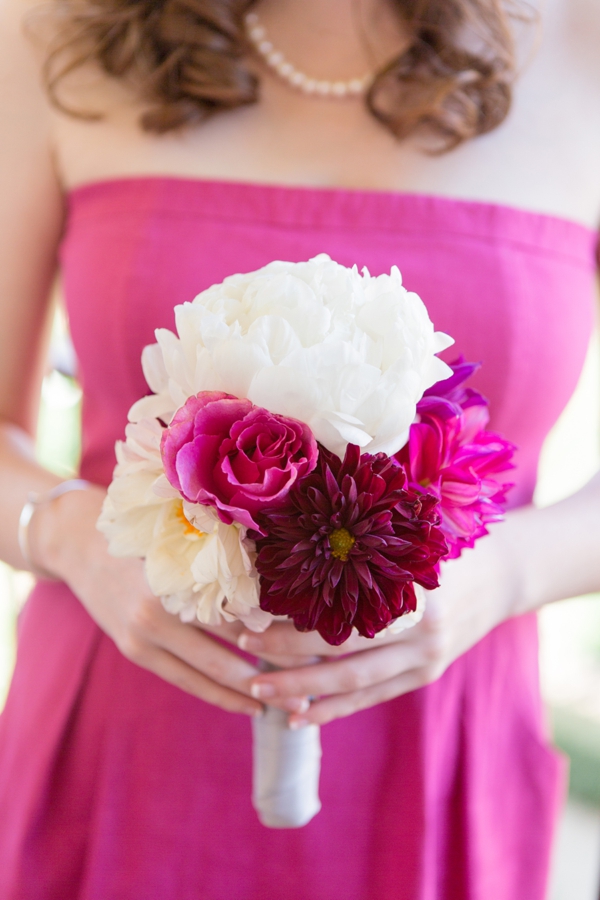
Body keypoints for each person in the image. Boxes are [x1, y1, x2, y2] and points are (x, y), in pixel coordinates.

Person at [1, 0, 599, 896]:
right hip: (120, 733)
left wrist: (506, 573)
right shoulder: (53, 36)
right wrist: (73, 536)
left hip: (441, 747)